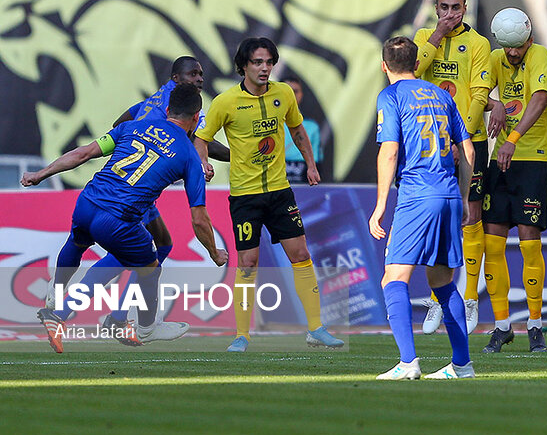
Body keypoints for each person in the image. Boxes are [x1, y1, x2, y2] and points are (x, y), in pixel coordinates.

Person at [23, 83, 228, 352]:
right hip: (117, 221)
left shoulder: (133, 126)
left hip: (87, 202)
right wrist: (214, 252)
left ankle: (60, 300)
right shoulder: (189, 155)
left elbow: (83, 153)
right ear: (195, 119)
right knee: (151, 268)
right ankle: (145, 327)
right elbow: (199, 218)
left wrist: (41, 174)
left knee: (79, 242)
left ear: (166, 109)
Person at [194, 37, 344, 352]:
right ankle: (241, 335)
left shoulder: (284, 93)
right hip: (245, 197)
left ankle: (316, 329)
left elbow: (298, 130)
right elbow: (201, 137)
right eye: (258, 63)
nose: (265, 68)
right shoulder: (225, 102)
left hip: (280, 193)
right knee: (248, 263)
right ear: (243, 66)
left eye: (269, 62)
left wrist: (311, 165)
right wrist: (204, 163)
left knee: (301, 255)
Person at [84, 56, 230, 342]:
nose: (199, 79)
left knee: (160, 245)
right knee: (140, 253)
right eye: (193, 74)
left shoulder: (156, 99)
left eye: (201, 74)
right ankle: (73, 305)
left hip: (130, 185)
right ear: (177, 78)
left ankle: (115, 314)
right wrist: (238, 156)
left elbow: (121, 122)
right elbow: (202, 141)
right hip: (133, 190)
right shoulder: (177, 105)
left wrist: (127, 148)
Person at [369, 36, 475, 380]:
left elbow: (389, 152)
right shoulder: (442, 95)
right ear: (417, 64)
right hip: (447, 194)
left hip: (418, 195)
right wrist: (461, 196)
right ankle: (462, 365)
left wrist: (381, 205)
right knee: (441, 280)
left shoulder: (391, 96)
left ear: (384, 65)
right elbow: (469, 151)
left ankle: (408, 363)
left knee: (393, 277)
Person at [472, 12, 547, 353]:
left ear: (528, 38)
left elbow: (539, 98)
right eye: (507, 49)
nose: (513, 54)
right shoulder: (495, 57)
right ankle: (502, 325)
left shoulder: (541, 55)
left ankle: (535, 324)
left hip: (532, 159)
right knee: (492, 243)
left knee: (529, 241)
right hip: (499, 162)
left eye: (518, 47)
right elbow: (471, 88)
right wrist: (495, 104)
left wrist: (513, 137)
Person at [414, 0, 492, 334]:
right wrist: (435, 38)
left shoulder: (478, 44)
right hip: (432, 143)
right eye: (443, 8)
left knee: (470, 214)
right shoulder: (423, 36)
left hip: (467, 140)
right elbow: (413, 71)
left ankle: (470, 296)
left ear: (465, 9)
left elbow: (478, 95)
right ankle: (437, 296)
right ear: (436, 9)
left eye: (455, 8)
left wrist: (463, 137)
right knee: (437, 216)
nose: (449, 15)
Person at [282, 76, 322, 184]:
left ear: (301, 94)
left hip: (303, 182)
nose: (292, 95)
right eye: (288, 91)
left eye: (295, 91)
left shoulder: (312, 127)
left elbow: (317, 163)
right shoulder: (269, 123)